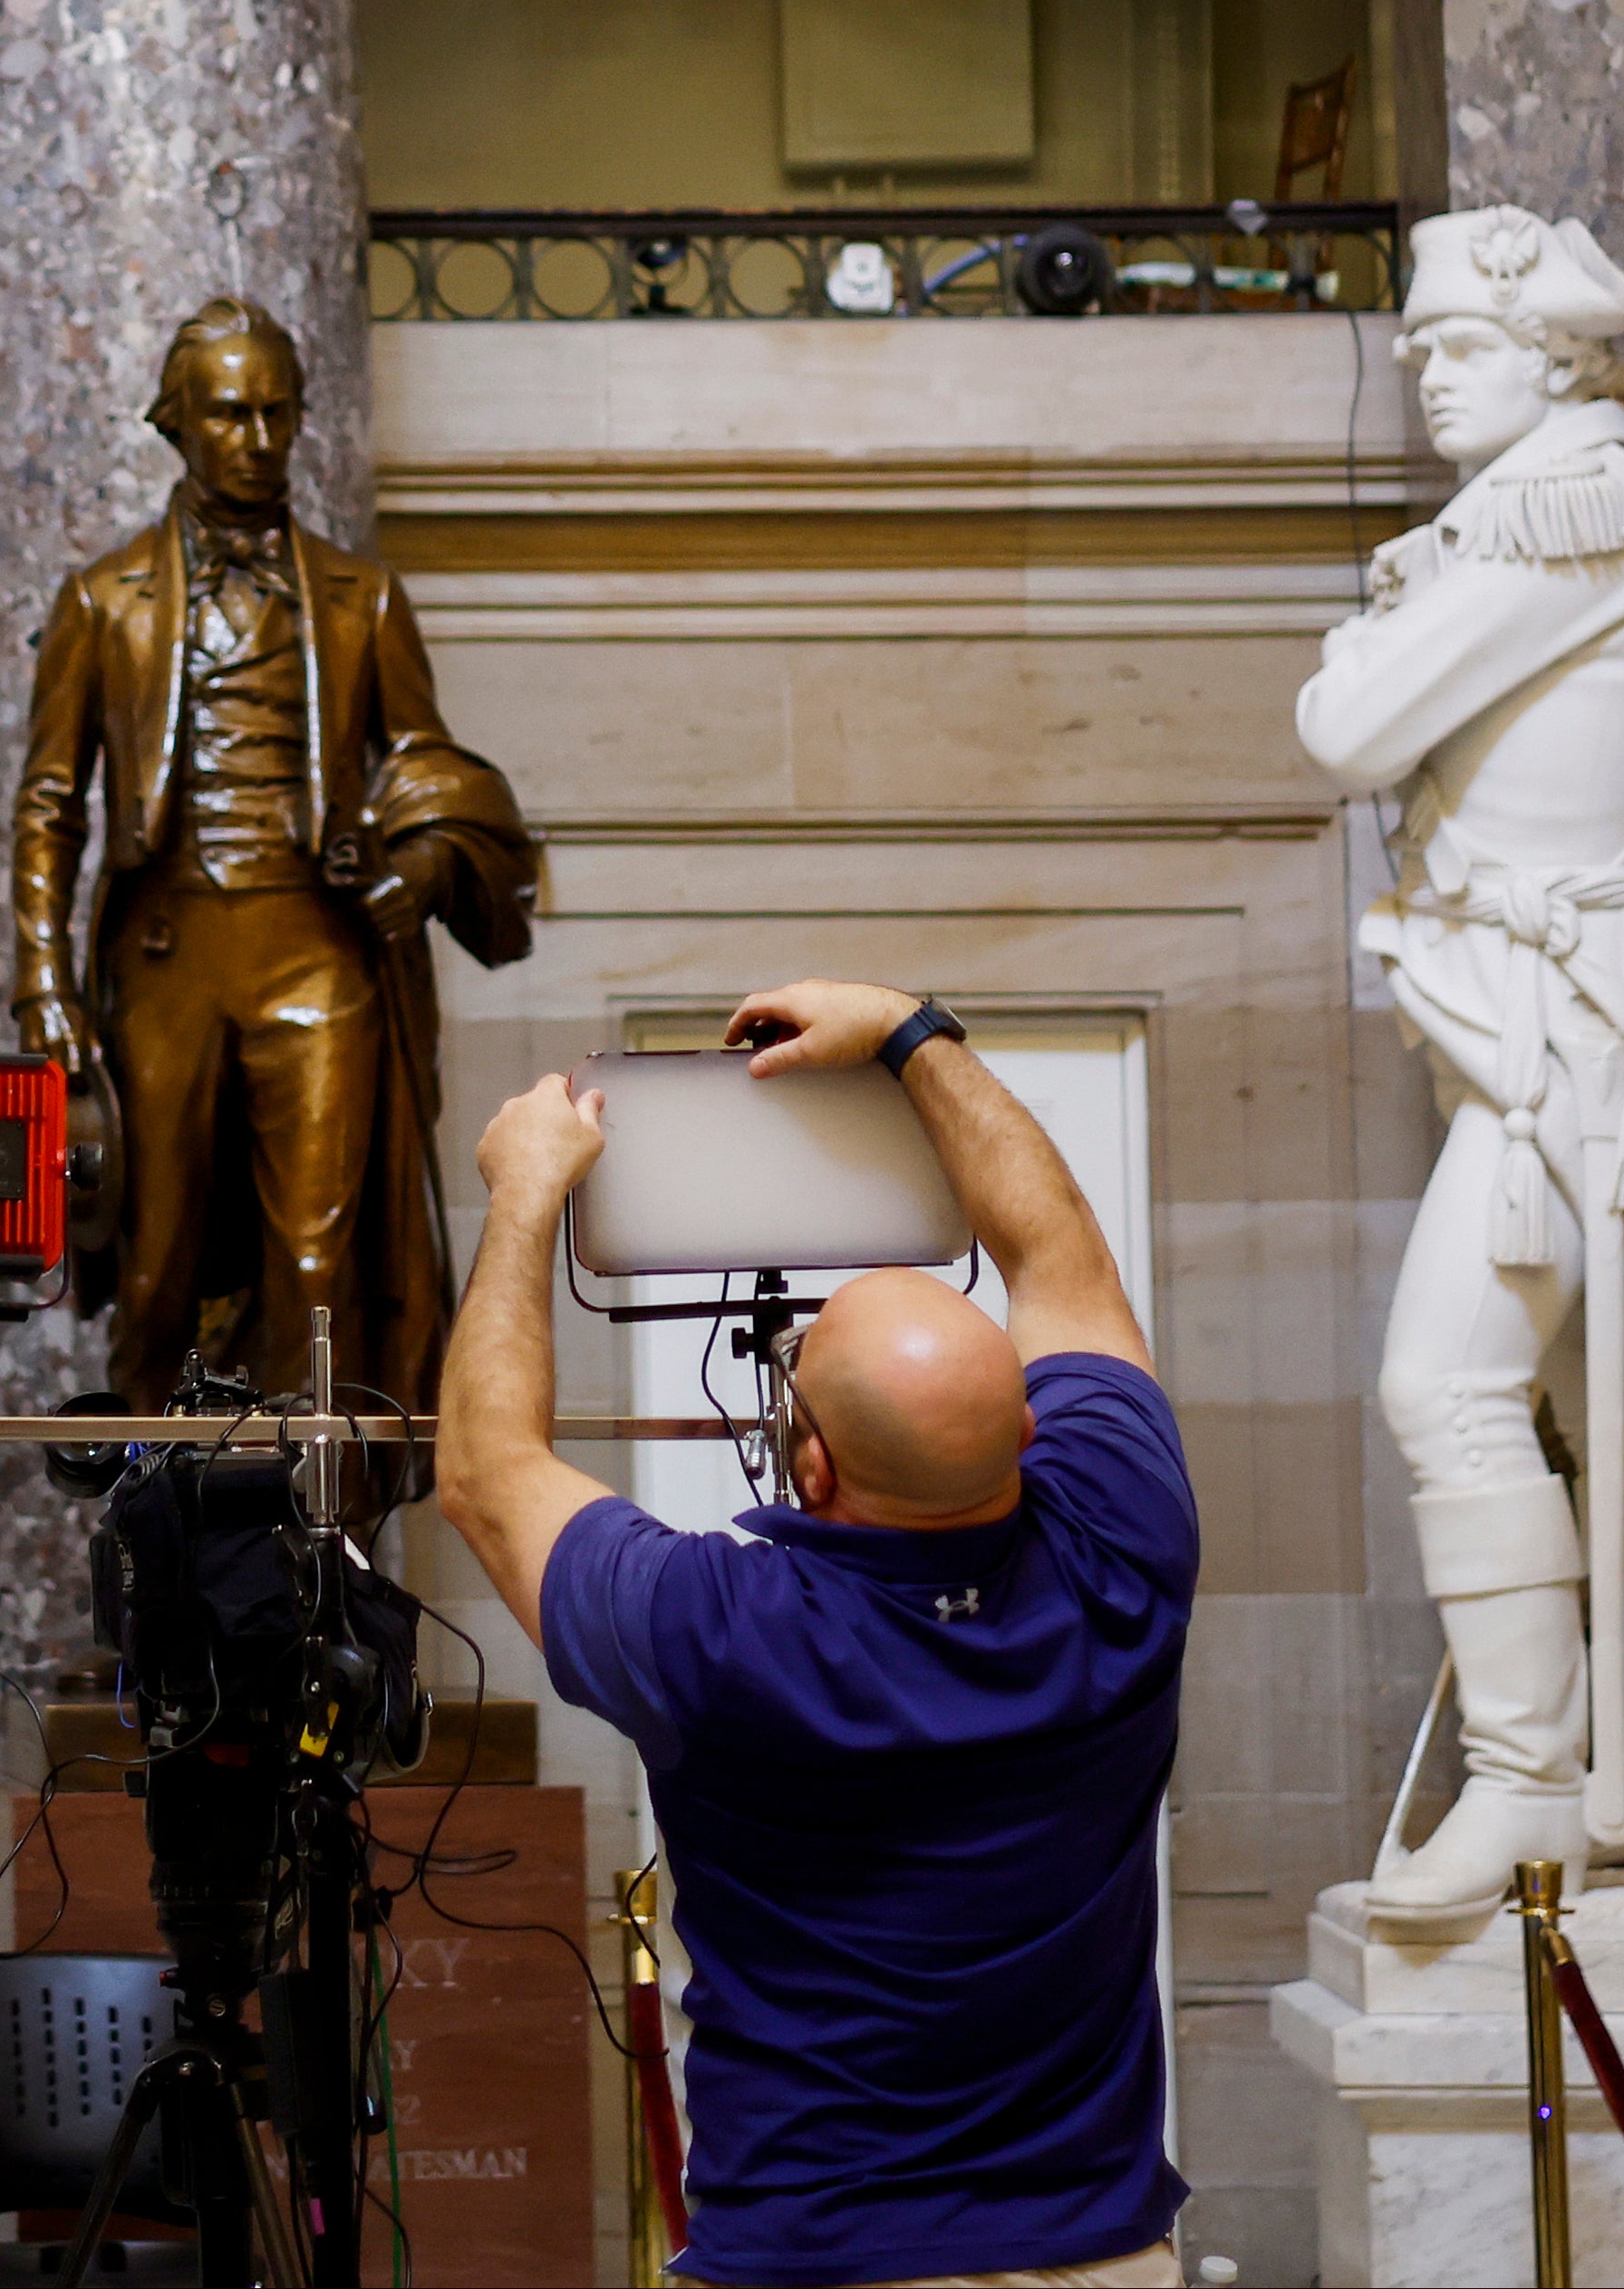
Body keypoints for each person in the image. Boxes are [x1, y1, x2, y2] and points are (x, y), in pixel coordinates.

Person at [438, 980, 1194, 2289]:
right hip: (1100, 2250)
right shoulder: (1123, 1548)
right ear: (1030, 1430)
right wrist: (914, 1033)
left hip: (811, 2257)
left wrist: (524, 1193)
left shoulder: (721, 1635)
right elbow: (1060, 1259)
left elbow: (486, 1474)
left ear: (813, 1467)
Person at [1294, 206, 1624, 1919]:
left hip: (1580, 1022)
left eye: (1459, 350)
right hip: (1578, 1004)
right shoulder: (1576, 512)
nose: (1424, 381)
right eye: (1411, 354)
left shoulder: (1575, 507)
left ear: (1556, 362)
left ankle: (1531, 1785)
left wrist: (1369, 638)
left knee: (1454, 1386)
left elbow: (1345, 727)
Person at [9, 295, 532, 1415]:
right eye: (231, 416)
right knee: (154, 1264)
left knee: (317, 1260)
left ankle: (304, 1535)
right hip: (166, 958)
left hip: (320, 953)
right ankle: (155, 1520)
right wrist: (41, 986)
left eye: (277, 415)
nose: (256, 441)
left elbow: (435, 768)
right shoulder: (104, 602)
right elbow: (49, 802)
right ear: (177, 426)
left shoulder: (362, 596)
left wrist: (423, 869)